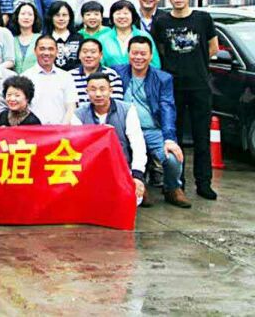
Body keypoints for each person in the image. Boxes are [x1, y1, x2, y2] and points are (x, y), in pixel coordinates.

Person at [151, 0, 219, 200]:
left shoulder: (203, 19)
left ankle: (204, 183)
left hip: (200, 85)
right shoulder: (161, 21)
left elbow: (213, 47)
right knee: (174, 137)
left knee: (201, 137)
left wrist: (195, 63)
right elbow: (159, 50)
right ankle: (177, 183)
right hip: (173, 87)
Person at [115, 36, 191, 208]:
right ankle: (138, 187)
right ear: (128, 54)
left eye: (143, 54)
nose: (138, 57)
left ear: (151, 56)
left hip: (152, 130)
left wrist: (169, 138)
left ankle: (172, 188)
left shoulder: (163, 78)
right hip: (126, 132)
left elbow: (167, 107)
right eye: (134, 53)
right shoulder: (117, 73)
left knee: (173, 158)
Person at [74, 72, 147, 205]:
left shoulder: (127, 110)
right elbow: (77, 147)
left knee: (132, 199)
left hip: (121, 168)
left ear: (111, 90)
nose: (98, 94)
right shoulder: (79, 114)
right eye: (93, 90)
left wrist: (137, 175)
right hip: (90, 170)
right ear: (86, 92)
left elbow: (138, 144)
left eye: (102, 89)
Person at [23, 35, 78, 124]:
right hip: (33, 129)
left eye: (51, 49)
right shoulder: (25, 77)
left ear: (57, 52)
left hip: (61, 129)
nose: (46, 53)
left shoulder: (66, 76)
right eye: (42, 49)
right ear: (35, 51)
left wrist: (63, 128)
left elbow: (71, 106)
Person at [104, 0, 160, 69]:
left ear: (133, 16)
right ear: (112, 16)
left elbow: (155, 64)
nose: (122, 16)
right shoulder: (103, 39)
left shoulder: (144, 36)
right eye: (118, 13)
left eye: (126, 13)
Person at [71, 38, 124, 105]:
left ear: (101, 55)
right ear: (79, 55)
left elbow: (116, 103)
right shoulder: (69, 76)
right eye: (85, 52)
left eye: (93, 52)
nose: (88, 55)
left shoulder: (112, 75)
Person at [47, 1, 82, 71]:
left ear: (70, 17)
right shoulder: (45, 39)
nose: (61, 19)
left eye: (64, 15)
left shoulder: (78, 38)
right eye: (57, 15)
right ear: (51, 17)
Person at [9, 2, 41, 74]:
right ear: (17, 17)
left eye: (30, 14)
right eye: (23, 14)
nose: (26, 17)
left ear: (35, 18)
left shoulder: (41, 39)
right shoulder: (11, 40)